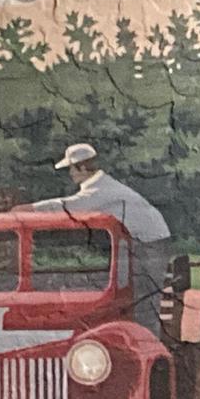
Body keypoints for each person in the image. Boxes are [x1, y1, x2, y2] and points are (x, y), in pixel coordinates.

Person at [33, 142, 173, 332]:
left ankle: (150, 347)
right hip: (137, 242)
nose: (71, 174)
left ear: (82, 167)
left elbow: (72, 206)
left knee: (145, 301)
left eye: (72, 169)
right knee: (124, 295)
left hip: (150, 244)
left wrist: (31, 209)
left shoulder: (101, 189)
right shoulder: (100, 185)